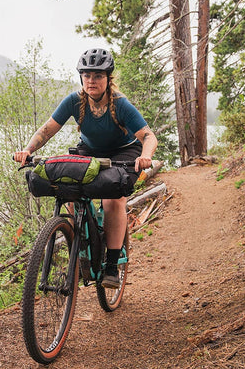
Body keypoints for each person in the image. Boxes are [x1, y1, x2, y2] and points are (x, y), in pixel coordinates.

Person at [14, 48, 158, 288]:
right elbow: (47, 129)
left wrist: (145, 156)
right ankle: (80, 250)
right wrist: (28, 150)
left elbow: (148, 136)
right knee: (68, 191)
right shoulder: (74, 101)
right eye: (87, 75)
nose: (92, 80)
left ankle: (111, 266)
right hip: (90, 150)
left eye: (98, 75)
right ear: (81, 77)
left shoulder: (120, 104)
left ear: (107, 78)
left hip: (123, 152)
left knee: (113, 200)